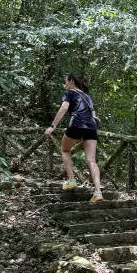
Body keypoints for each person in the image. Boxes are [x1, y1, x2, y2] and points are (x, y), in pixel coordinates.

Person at [45, 74, 103, 203]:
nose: (64, 84)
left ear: (71, 81)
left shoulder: (69, 92)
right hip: (91, 127)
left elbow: (64, 107)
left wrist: (52, 126)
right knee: (91, 160)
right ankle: (98, 192)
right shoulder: (87, 96)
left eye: (65, 81)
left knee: (65, 150)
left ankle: (71, 180)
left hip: (77, 123)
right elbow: (93, 114)